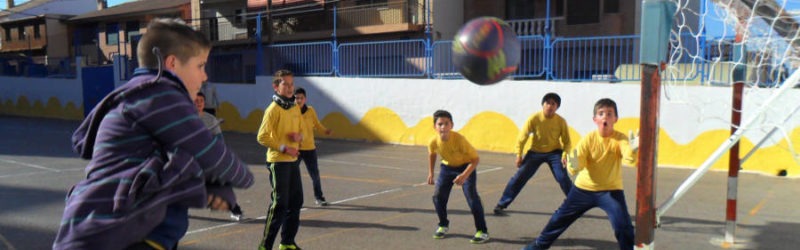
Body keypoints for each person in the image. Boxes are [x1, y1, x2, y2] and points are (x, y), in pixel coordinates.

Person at [53, 18, 254, 250]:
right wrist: (243, 177)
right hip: (116, 234)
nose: (204, 76)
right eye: (200, 66)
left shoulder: (143, 97)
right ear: (172, 63)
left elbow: (180, 161)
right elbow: (208, 152)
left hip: (116, 232)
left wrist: (215, 187)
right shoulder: (159, 94)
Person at [523, 98, 638, 250]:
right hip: (583, 190)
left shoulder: (620, 139)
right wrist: (571, 162)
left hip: (611, 190)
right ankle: (539, 245)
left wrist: (634, 149)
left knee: (622, 225)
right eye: (601, 113)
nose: (605, 117)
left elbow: (629, 160)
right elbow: (576, 165)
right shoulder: (588, 139)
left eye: (609, 114)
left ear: (615, 119)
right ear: (595, 119)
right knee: (559, 218)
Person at [494, 93, 572, 215]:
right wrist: (519, 154)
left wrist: (564, 156)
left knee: (562, 177)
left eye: (553, 104)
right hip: (535, 152)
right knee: (519, 177)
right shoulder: (534, 118)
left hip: (554, 153)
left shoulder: (561, 121)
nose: (550, 106)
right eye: (547, 103)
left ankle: (575, 204)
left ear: (557, 107)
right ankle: (501, 204)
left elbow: (567, 142)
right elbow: (522, 137)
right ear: (543, 105)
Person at [257, 69, 305, 250]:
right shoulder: (273, 109)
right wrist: (284, 147)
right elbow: (261, 137)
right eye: (286, 84)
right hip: (278, 161)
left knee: (296, 201)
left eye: (292, 84)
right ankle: (265, 246)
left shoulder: (294, 107)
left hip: (292, 161)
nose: (290, 88)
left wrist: (297, 137)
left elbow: (298, 130)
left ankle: (287, 242)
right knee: (280, 204)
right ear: (276, 86)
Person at [427, 110, 489, 244]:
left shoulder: (460, 140)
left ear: (452, 125)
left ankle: (482, 231)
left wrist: (464, 175)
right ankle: (443, 224)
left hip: (466, 166)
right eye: (440, 124)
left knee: (472, 198)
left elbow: (475, 159)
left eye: (446, 123)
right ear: (435, 127)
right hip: (447, 168)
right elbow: (432, 154)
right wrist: (431, 173)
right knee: (438, 197)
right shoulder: (433, 141)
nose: (443, 127)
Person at [194, 92, 245, 221]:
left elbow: (219, 141)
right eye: (196, 100)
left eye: (201, 100)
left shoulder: (210, 119)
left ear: (204, 103)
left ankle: (235, 209)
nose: (199, 103)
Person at [294, 87, 333, 206]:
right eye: (296, 98)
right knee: (292, 176)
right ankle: (294, 200)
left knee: (315, 175)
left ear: (305, 99)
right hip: (295, 149)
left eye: (301, 98)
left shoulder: (310, 110)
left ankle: (319, 197)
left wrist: (325, 130)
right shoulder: (291, 111)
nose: (299, 100)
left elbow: (317, 124)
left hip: (310, 149)